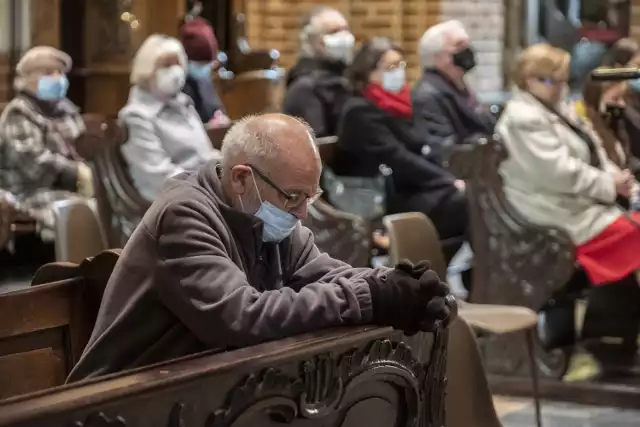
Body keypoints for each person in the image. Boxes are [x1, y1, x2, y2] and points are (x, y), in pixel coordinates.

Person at [66, 114, 453, 381]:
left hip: (198, 388)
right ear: (240, 179)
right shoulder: (184, 214)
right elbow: (240, 317)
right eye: (293, 197)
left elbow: (328, 274)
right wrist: (368, 296)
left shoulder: (268, 214)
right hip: (120, 399)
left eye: (310, 196)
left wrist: (397, 285)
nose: (302, 213)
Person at [497, 43, 640, 373]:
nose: (561, 86)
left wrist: (615, 177)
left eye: (563, 79)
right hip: (549, 214)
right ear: (529, 80)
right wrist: (608, 185)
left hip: (575, 205)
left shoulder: (556, 107)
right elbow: (557, 172)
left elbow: (592, 151)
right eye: (553, 80)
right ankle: (608, 339)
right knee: (631, 237)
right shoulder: (522, 118)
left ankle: (611, 338)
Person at [333, 37, 467, 262]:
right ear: (368, 72)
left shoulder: (402, 104)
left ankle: (434, 268)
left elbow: (423, 145)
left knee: (467, 196)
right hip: (378, 198)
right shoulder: (359, 111)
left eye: (400, 65)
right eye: (390, 67)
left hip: (407, 187)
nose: (398, 72)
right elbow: (397, 157)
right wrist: (446, 180)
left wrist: (450, 175)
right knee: (458, 200)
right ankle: (422, 268)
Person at [0, 46, 93, 239]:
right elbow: (34, 164)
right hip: (31, 193)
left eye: (60, 72)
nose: (58, 78)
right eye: (50, 73)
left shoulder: (66, 109)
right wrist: (76, 173)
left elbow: (84, 147)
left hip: (70, 188)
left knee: (114, 211)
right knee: (87, 212)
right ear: (31, 79)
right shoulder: (19, 112)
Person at [119, 34, 221, 202]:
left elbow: (206, 155)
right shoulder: (136, 116)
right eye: (166, 65)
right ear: (147, 70)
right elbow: (160, 177)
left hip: (205, 193)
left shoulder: (184, 104)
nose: (175, 71)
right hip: (172, 204)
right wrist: (211, 188)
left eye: (178, 64)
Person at [412, 20, 495, 166]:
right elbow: (444, 149)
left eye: (467, 44)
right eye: (459, 45)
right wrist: (481, 143)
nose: (467, 50)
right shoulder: (427, 95)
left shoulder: (457, 85)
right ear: (437, 56)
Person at [282, 6, 353, 137]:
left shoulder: (348, 77)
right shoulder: (304, 88)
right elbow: (318, 145)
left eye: (345, 30)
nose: (344, 37)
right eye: (334, 32)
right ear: (311, 40)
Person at [179, 17, 231, 127]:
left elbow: (216, 108)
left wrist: (221, 117)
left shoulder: (205, 80)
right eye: (199, 64)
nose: (204, 68)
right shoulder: (179, 86)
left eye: (206, 64)